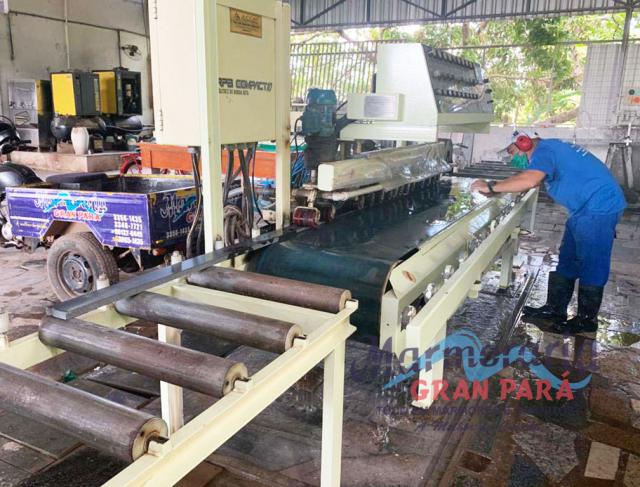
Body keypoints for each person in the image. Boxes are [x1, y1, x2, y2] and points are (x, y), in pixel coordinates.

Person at [471, 131, 626, 334]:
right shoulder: (550, 149)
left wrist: (491, 187)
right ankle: (554, 310)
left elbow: (530, 180)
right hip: (583, 209)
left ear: (524, 143)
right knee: (568, 258)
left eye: (511, 151)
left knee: (592, 262)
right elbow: (530, 179)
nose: (512, 157)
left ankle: (586, 320)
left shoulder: (544, 150)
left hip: (599, 207)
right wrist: (505, 187)